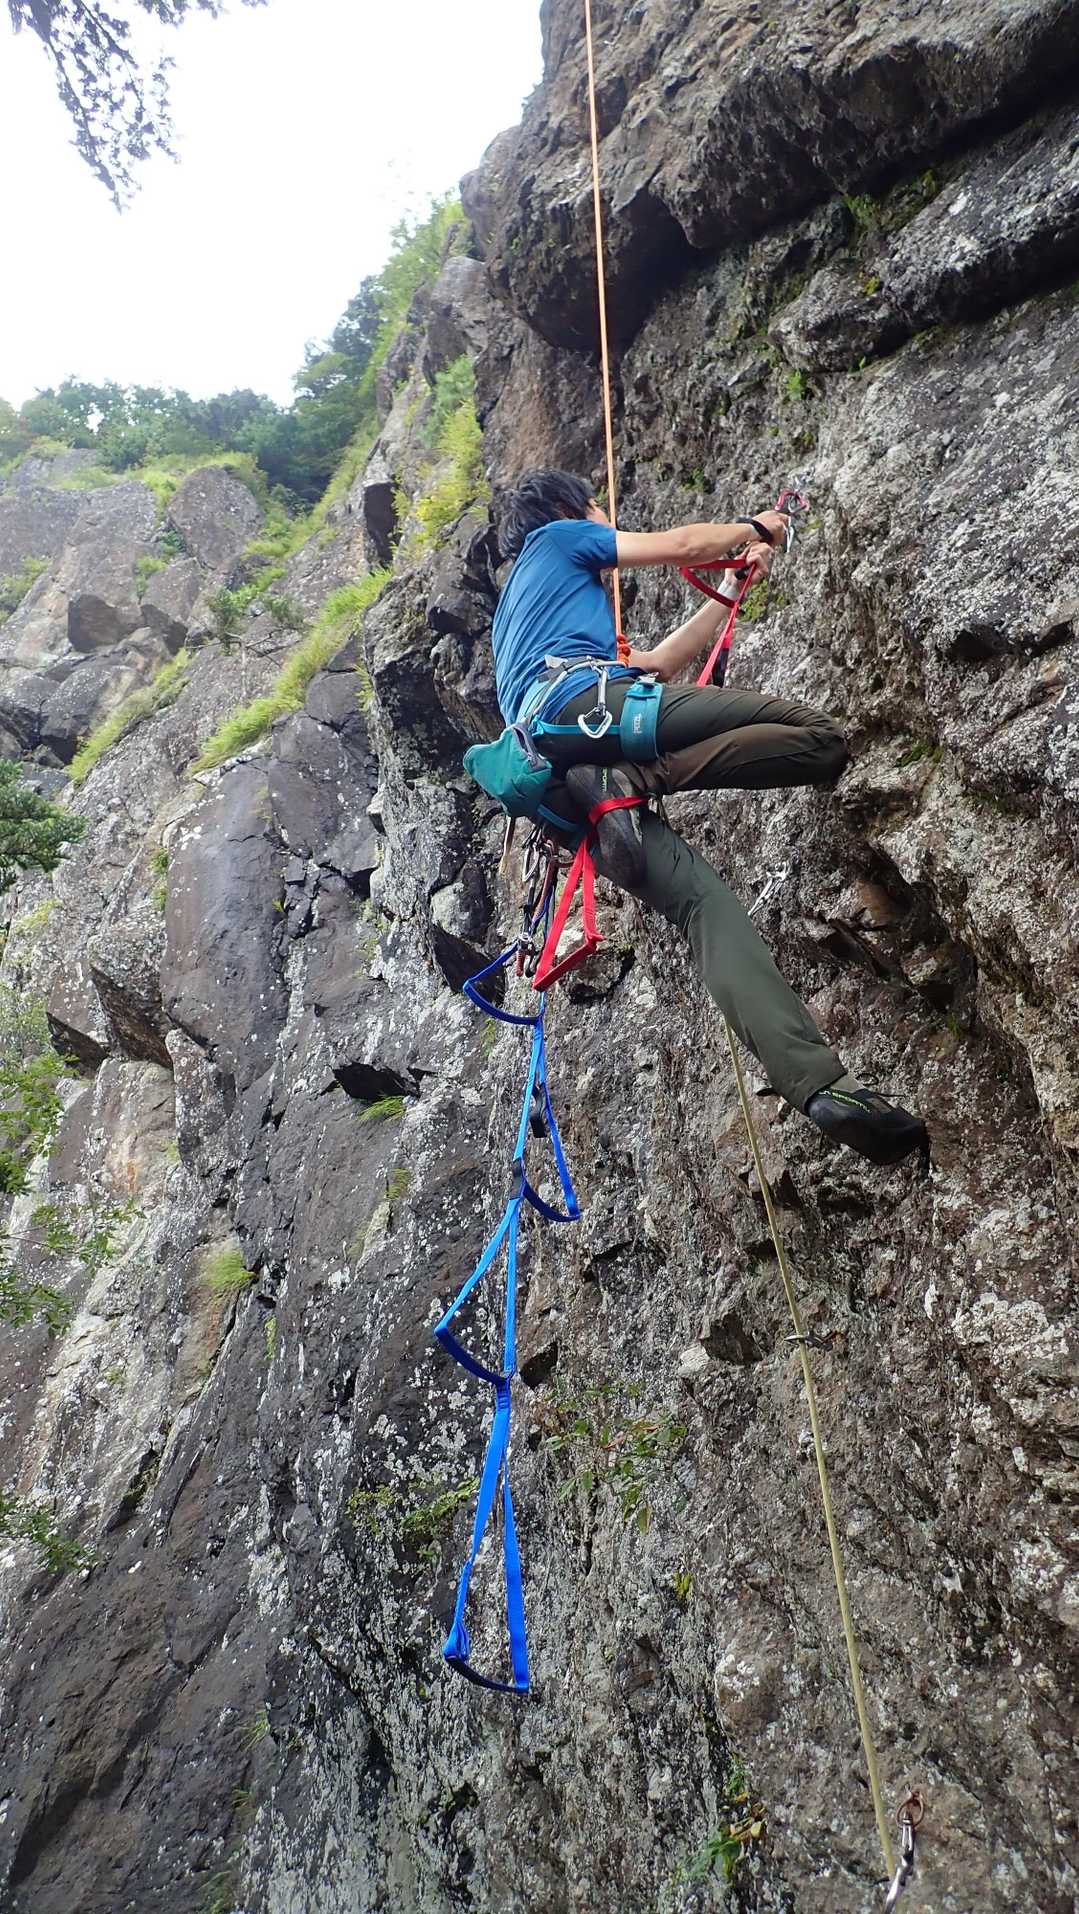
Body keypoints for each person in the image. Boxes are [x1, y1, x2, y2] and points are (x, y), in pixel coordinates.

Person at [491, 469, 929, 1169]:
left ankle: (822, 1089)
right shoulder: (558, 539)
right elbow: (684, 544)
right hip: (594, 714)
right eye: (598, 506)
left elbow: (659, 663)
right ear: (571, 509)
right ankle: (638, 777)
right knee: (818, 737)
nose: (603, 516)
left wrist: (728, 588)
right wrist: (757, 529)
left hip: (565, 784)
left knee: (704, 909)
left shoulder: (520, 625)